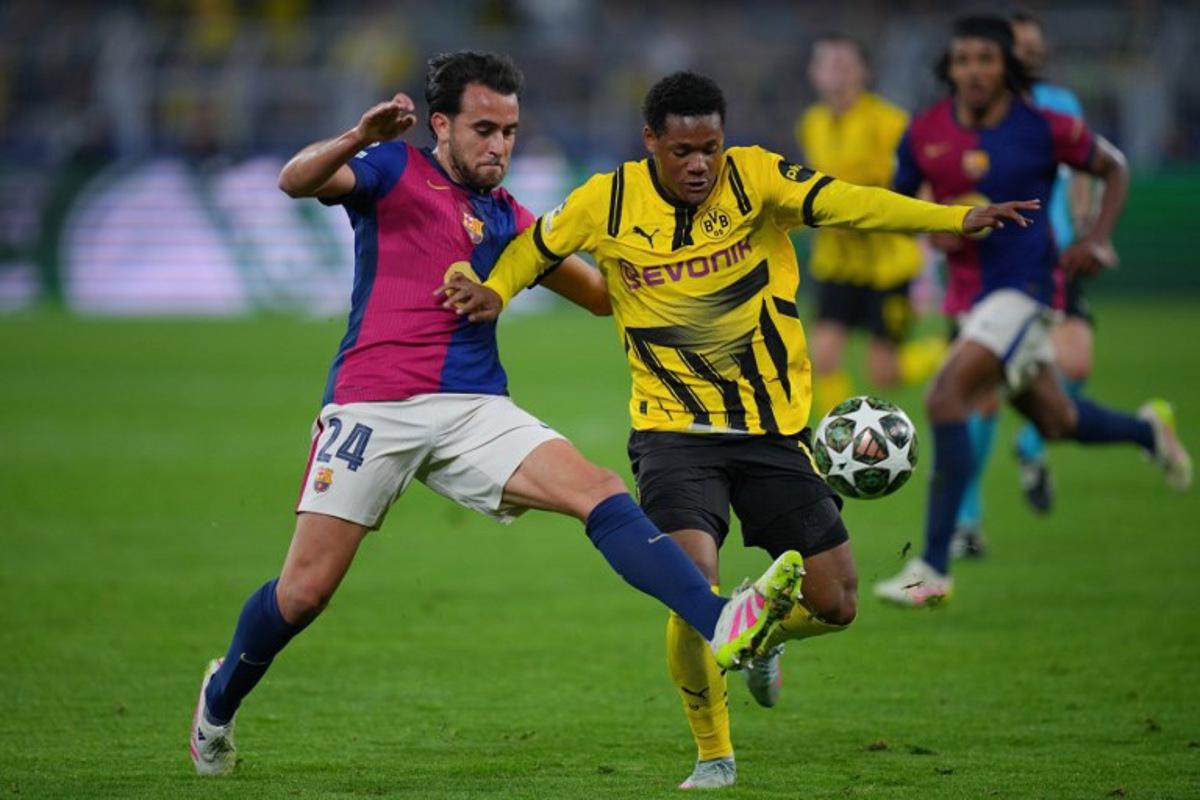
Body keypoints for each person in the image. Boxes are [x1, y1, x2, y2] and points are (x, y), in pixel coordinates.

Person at [188, 51, 809, 778]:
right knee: (304, 593)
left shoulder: (510, 217)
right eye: (484, 129)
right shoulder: (391, 169)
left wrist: (661, 242)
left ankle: (723, 624)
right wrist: (359, 135)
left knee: (599, 488)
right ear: (442, 126)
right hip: (373, 406)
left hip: (475, 408)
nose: (500, 147)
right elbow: (296, 180)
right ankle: (219, 701)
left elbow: (603, 295)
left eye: (511, 132)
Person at [439, 70, 1036, 789]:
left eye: (710, 148)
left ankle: (762, 634)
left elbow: (850, 204)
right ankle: (714, 753)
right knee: (690, 586)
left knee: (838, 602)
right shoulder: (607, 199)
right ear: (651, 142)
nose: (698, 164)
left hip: (770, 433)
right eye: (682, 150)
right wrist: (495, 290)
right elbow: (536, 250)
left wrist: (953, 218)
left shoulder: (755, 179)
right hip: (672, 433)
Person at [873, 16, 1192, 607]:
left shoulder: (1045, 128)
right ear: (950, 68)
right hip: (969, 300)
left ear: (1007, 68)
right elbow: (901, 197)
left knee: (947, 396)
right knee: (1057, 421)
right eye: (963, 59)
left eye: (986, 59)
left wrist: (1096, 236)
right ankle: (1147, 431)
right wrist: (934, 230)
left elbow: (1114, 166)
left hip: (1029, 289)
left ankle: (933, 568)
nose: (974, 70)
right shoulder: (925, 133)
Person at [950, 10, 1099, 558]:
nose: (1029, 55)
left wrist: (1084, 228)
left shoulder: (1061, 106)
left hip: (1054, 259)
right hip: (992, 269)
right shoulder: (971, 116)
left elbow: (1082, 172)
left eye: (1036, 47)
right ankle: (967, 520)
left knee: (1077, 364)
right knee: (981, 397)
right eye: (1020, 47)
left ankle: (1033, 441)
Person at [797, 34, 943, 421]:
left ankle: (942, 351)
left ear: (863, 72)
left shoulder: (891, 123)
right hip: (838, 262)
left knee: (885, 373)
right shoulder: (811, 124)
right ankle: (840, 432)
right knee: (823, 355)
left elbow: (916, 185)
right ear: (814, 74)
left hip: (888, 264)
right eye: (829, 65)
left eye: (845, 65)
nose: (837, 75)